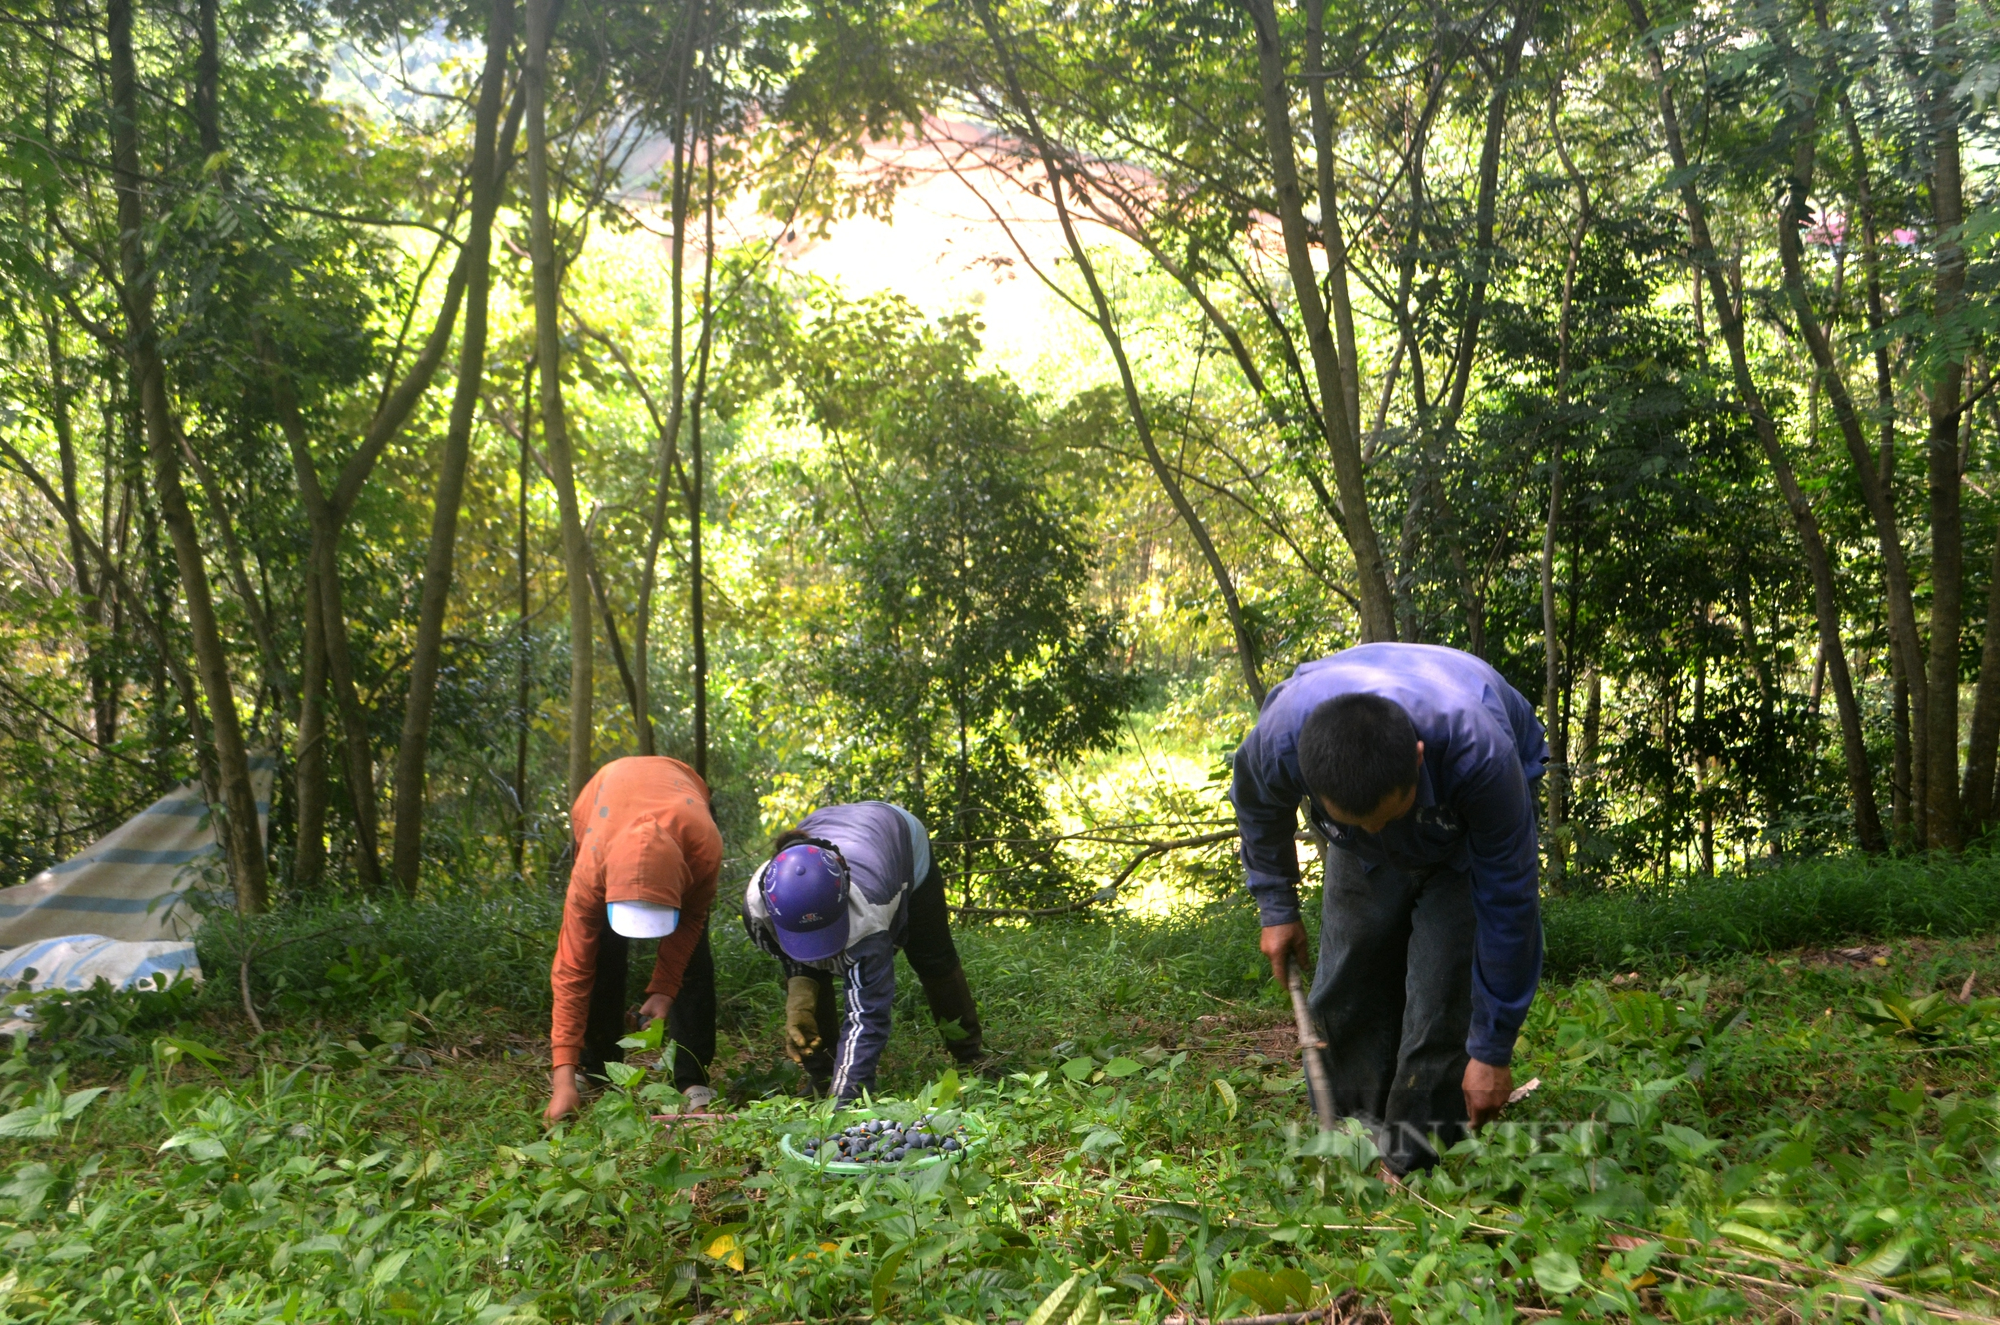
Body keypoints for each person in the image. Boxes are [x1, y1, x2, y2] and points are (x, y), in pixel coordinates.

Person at [1231, 642, 1547, 1174]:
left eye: (1386, 815)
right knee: (1351, 969)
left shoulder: (1482, 758)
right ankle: (1350, 1137)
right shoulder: (1283, 739)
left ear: (1418, 759)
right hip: (1365, 837)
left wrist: (1492, 1051)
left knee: (1442, 988)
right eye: (1357, 821)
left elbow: (1509, 905)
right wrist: (1276, 905)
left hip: (1460, 831)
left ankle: (1412, 1158)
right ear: (1310, 780)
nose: (1377, 830)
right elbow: (1259, 805)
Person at [741, 801, 989, 1099]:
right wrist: (801, 995)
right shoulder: (757, 907)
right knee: (811, 974)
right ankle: (822, 1076)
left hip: (898, 834)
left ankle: (970, 1057)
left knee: (932, 956)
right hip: (831, 825)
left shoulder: (868, 912)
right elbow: (789, 954)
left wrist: (848, 1099)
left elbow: (866, 1015)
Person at [546, 756, 722, 1123]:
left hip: (683, 798)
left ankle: (692, 1078)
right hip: (603, 804)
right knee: (599, 957)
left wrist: (664, 989)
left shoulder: (703, 850)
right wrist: (562, 1078)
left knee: (693, 959)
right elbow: (571, 972)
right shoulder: (590, 873)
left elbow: (690, 920)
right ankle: (595, 1066)